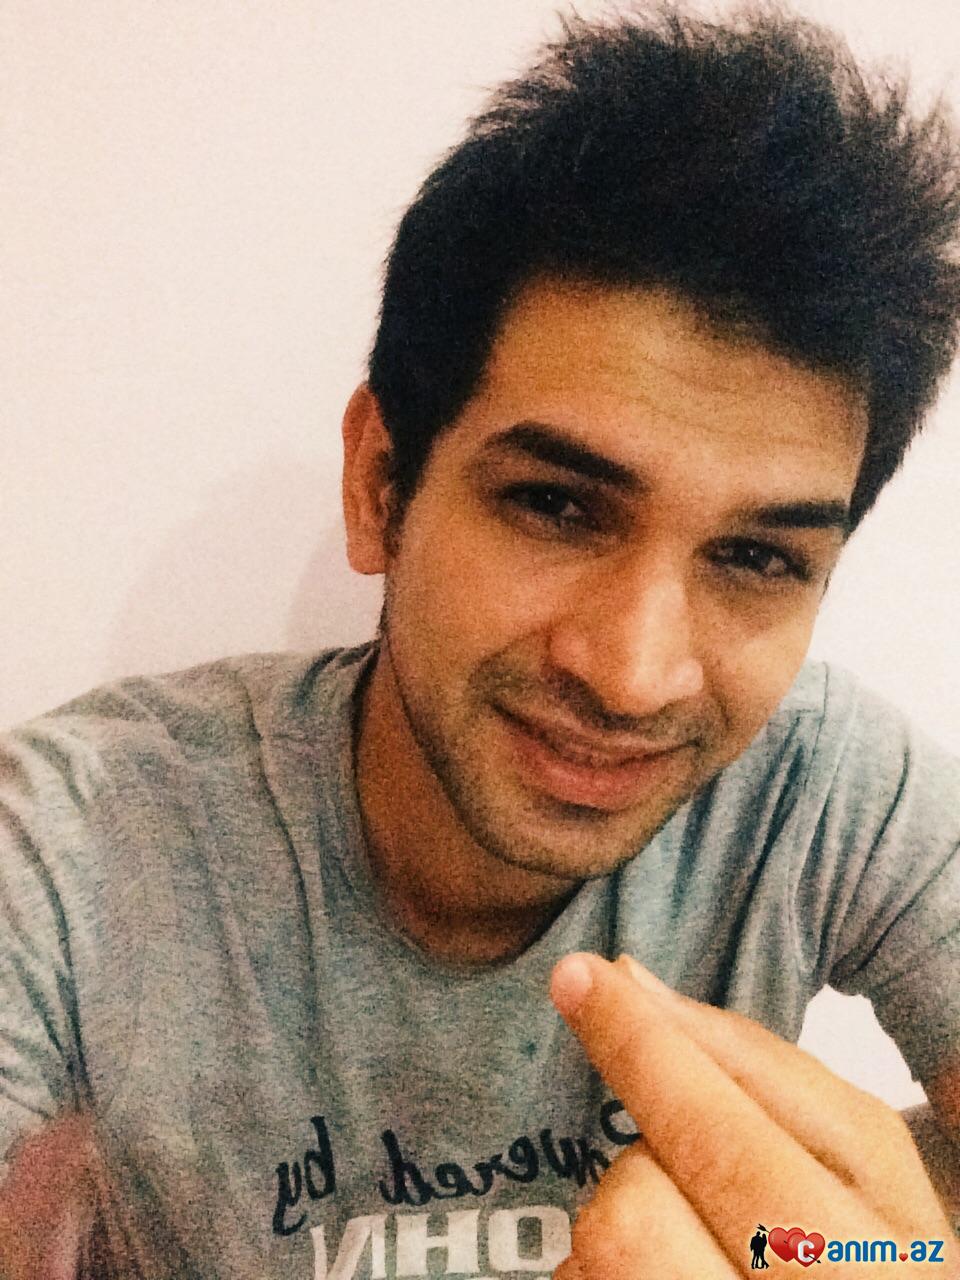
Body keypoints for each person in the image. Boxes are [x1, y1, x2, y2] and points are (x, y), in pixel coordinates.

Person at [2, 3, 960, 1277]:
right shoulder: (78, 849)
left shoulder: (831, 795)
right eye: (556, 505)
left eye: (756, 558)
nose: (634, 673)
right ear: (379, 483)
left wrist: (884, 1246)